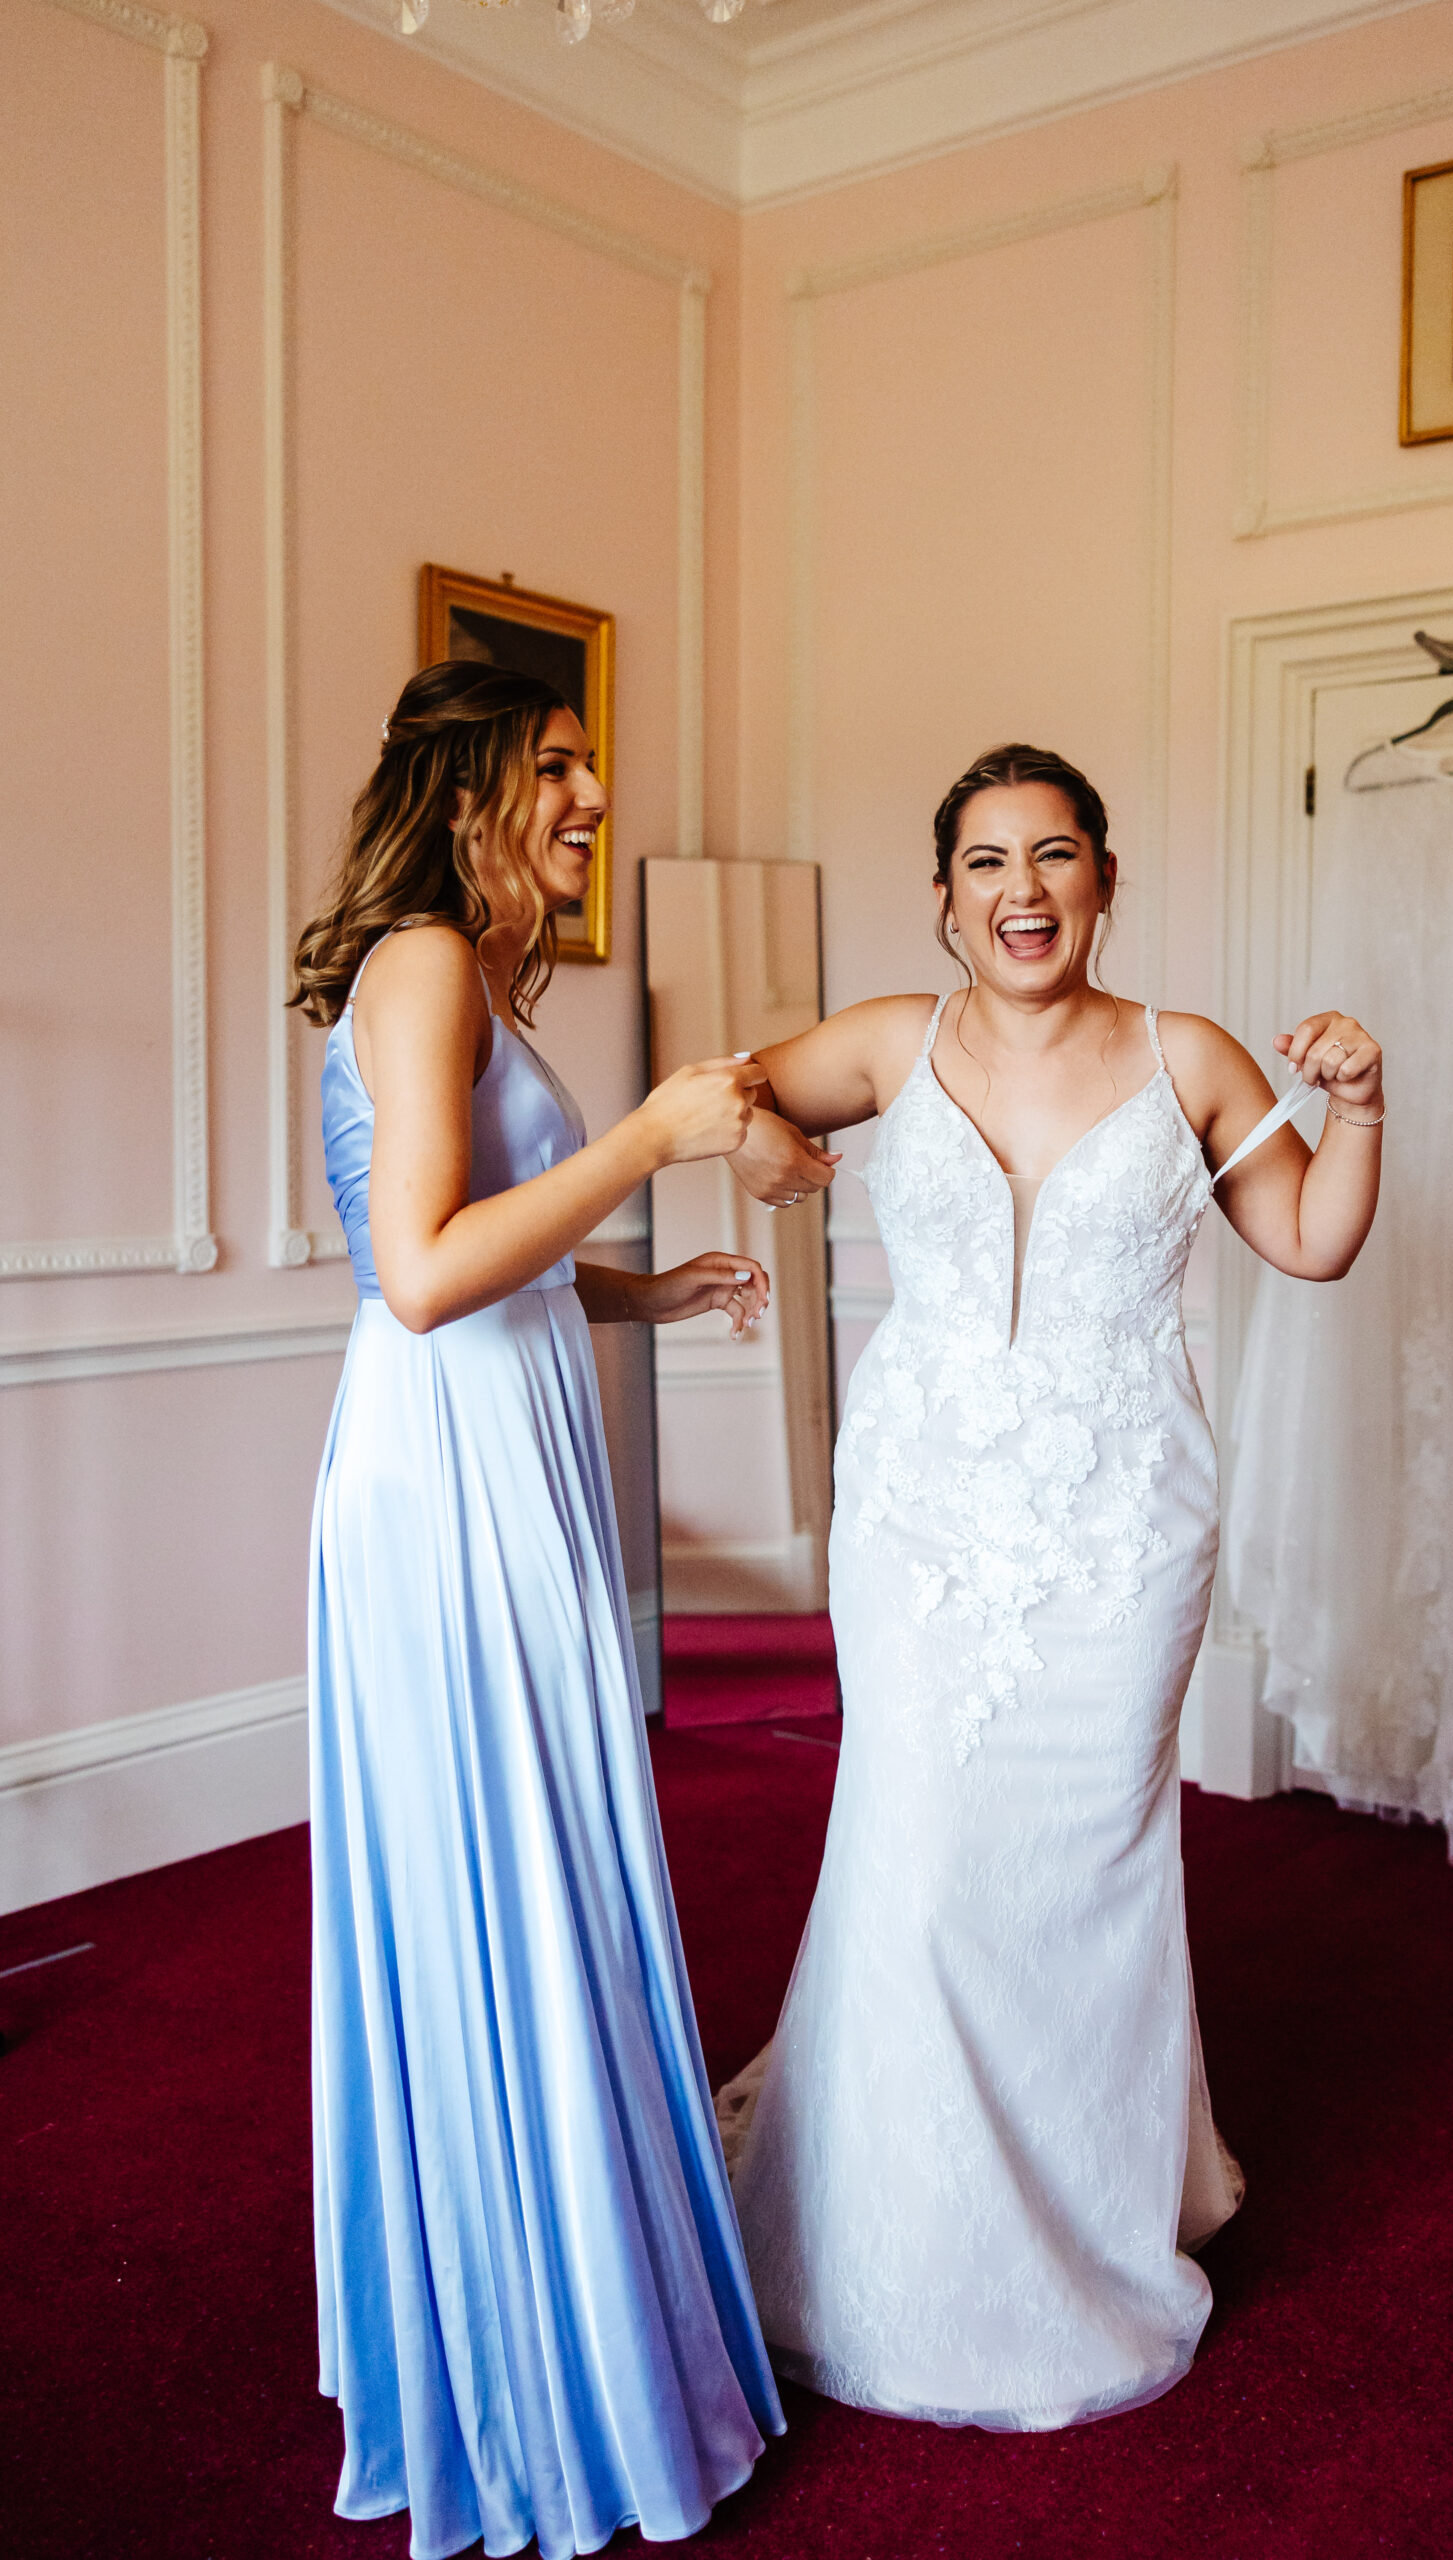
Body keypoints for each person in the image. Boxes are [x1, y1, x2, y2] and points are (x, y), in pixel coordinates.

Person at [717, 742, 1384, 2430]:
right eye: (989, 862)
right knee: (921, 1855)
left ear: (1105, 878)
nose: (1025, 889)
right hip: (922, 1516)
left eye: (1059, 855)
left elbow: (1309, 1239)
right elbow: (742, 1097)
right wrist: (765, 1159)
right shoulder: (888, 1040)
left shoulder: (1190, 1059)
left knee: (1086, 1870)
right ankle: (891, 2233)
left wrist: (1361, 1109)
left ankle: (1089, 2217)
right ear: (943, 898)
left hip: (1121, 1533)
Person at [292, 661, 785, 2557]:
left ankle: (572, 2288)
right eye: (564, 764)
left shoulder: (479, 983)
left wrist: (645, 1298)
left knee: (551, 1865)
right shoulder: (421, 961)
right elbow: (416, 1277)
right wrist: (651, 1145)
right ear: (477, 777)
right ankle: (525, 2354)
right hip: (440, 1477)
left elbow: (491, 1249)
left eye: (592, 764)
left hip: (509, 1440)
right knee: (498, 1874)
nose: (593, 795)